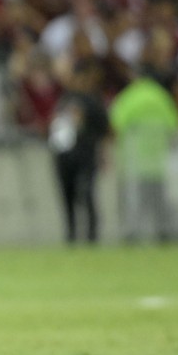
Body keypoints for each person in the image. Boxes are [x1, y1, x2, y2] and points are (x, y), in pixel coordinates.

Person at [109, 73, 178, 242]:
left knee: (134, 202)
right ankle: (164, 232)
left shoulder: (130, 96)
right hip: (159, 162)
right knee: (160, 202)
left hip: (134, 161)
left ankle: (132, 233)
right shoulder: (161, 96)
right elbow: (174, 125)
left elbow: (116, 123)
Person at [47, 59, 110, 243]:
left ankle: (92, 235)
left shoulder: (94, 102)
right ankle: (71, 234)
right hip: (64, 154)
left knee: (87, 192)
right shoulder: (64, 100)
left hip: (86, 154)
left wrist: (103, 154)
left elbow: (104, 130)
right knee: (67, 195)